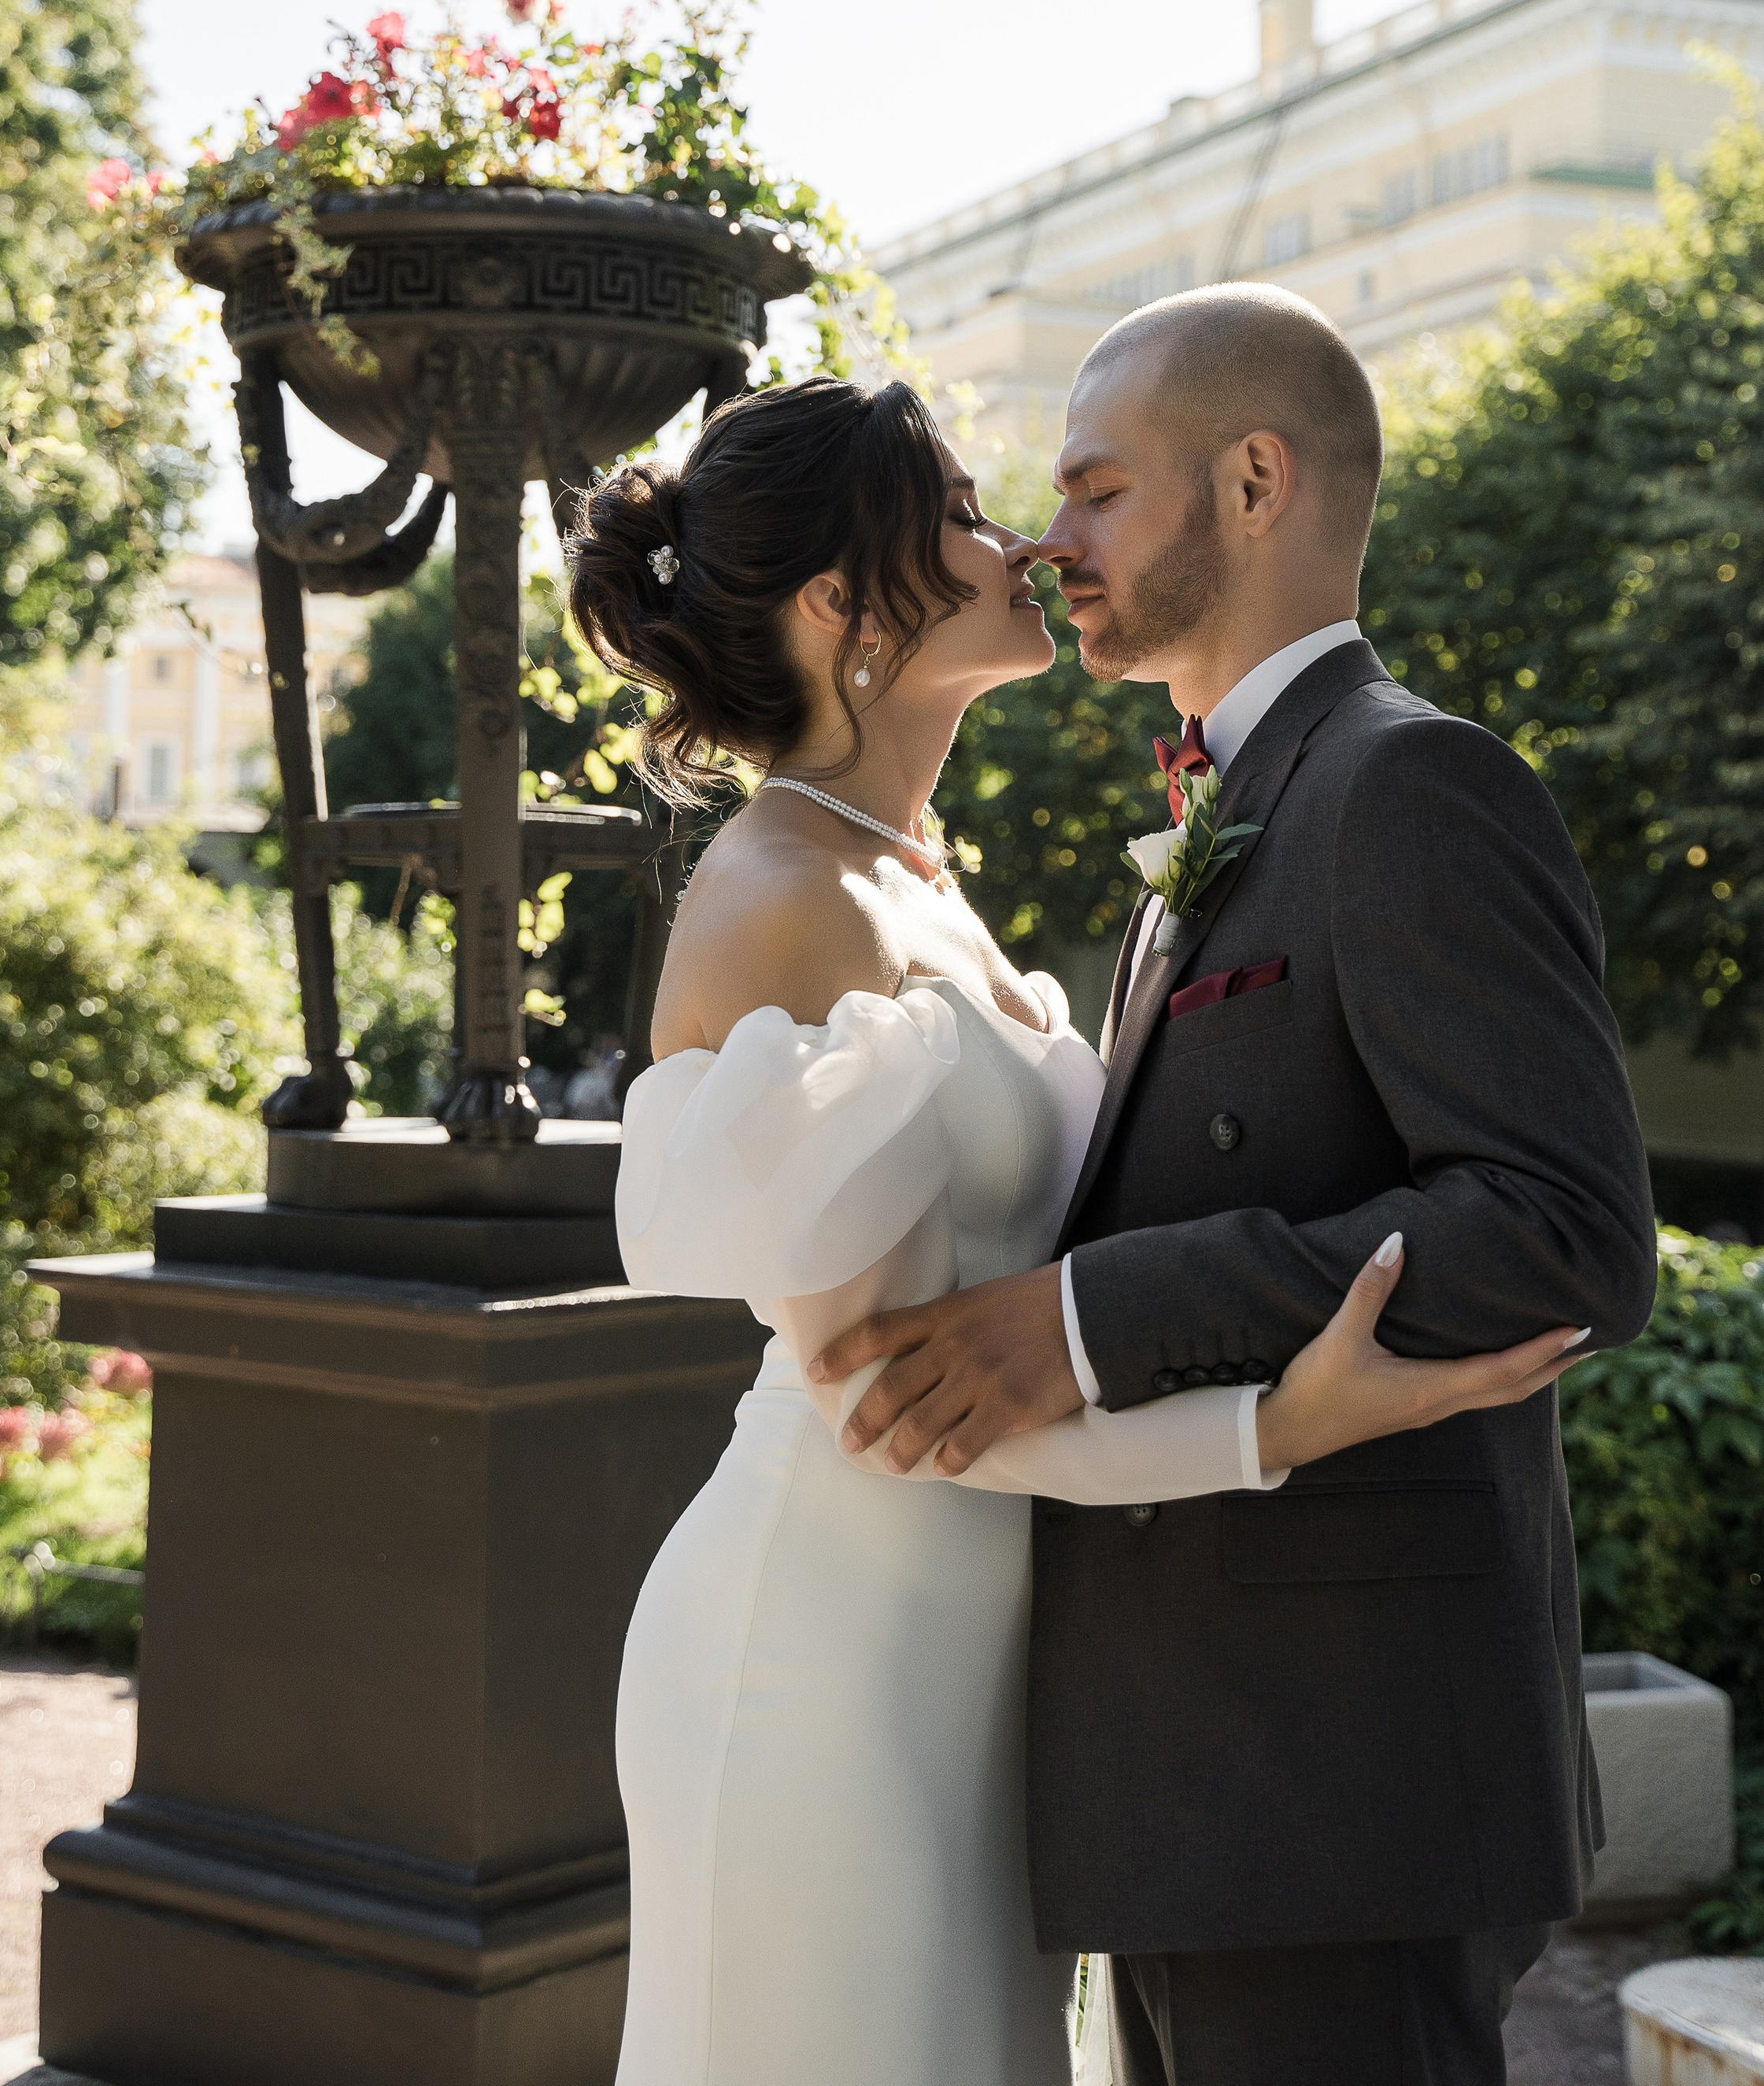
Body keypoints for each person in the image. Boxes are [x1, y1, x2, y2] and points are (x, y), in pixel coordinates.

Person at [565, 365, 1606, 2086]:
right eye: (968, 516)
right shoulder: (771, 900)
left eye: (1056, 498)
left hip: (1003, 1677)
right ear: (844, 608)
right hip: (823, 1651)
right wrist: (1267, 1429)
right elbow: (889, 1406)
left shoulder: (917, 875)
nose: (1024, 545)